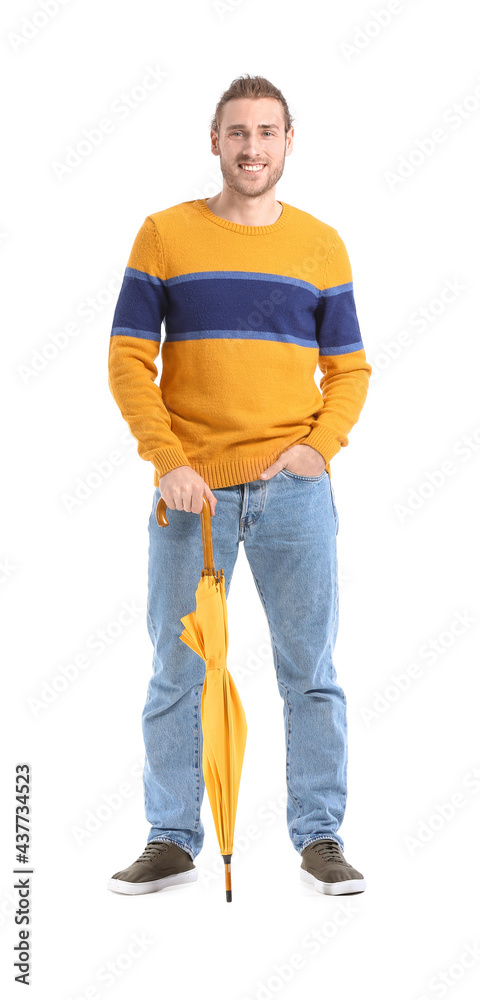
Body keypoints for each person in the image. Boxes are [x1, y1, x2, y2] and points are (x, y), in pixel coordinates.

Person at [106, 74, 371, 897]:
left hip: (293, 493)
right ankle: (173, 836)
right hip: (192, 494)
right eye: (237, 133)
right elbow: (126, 360)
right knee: (178, 670)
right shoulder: (163, 236)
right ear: (213, 141)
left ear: (290, 143)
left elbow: (350, 368)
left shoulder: (321, 245)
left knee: (311, 669)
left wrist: (319, 449)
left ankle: (320, 836)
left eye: (266, 132)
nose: (252, 147)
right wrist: (169, 460)